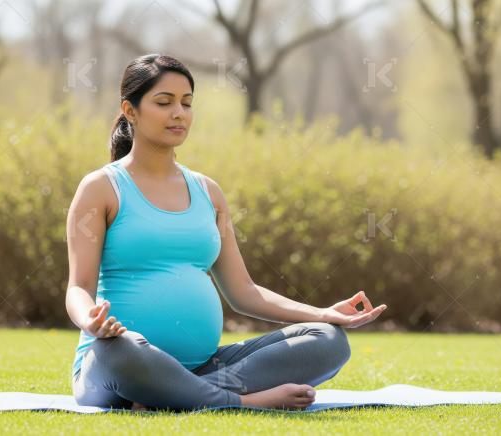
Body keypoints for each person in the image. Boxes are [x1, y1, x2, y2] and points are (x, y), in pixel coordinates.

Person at [65, 54, 387, 412]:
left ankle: (173, 393)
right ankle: (240, 401)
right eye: (164, 102)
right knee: (121, 349)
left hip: (207, 367)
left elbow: (243, 292)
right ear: (130, 110)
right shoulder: (102, 187)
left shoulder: (208, 192)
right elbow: (78, 287)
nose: (179, 113)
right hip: (116, 364)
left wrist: (322, 313)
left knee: (328, 340)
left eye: (187, 103)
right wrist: (90, 320)